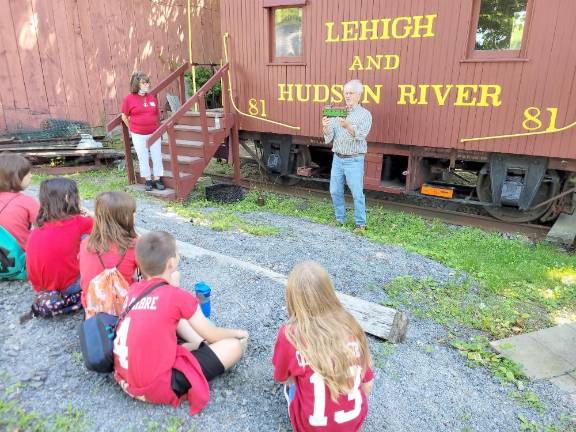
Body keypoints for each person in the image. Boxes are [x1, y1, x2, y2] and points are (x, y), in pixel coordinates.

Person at [113, 231, 249, 415]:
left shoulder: (133, 290)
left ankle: (199, 346)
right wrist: (238, 333)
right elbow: (213, 334)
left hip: (126, 377)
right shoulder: (177, 297)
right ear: (172, 263)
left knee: (175, 324)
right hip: (155, 386)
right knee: (234, 346)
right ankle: (206, 348)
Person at [272, 261, 374, 432]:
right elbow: (367, 384)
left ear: (292, 298)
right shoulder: (351, 325)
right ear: (329, 292)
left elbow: (282, 378)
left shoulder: (289, 335)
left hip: (310, 427)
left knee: (293, 385)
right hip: (354, 423)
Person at [25, 178, 93, 315]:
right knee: (94, 242)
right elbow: (102, 229)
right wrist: (90, 214)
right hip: (69, 286)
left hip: (40, 287)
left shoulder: (39, 225)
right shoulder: (80, 222)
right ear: (68, 198)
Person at [322, 79, 372, 232]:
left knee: (357, 193)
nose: (347, 96)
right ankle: (340, 219)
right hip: (338, 158)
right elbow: (330, 137)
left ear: (359, 95)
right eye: (345, 93)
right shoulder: (338, 112)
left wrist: (348, 126)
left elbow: (361, 135)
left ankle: (360, 224)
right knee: (335, 191)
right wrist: (325, 127)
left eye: (351, 93)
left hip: (354, 159)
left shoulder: (365, 115)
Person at [79, 191, 139, 318]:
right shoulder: (134, 245)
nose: (135, 215)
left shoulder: (86, 244)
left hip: (93, 308)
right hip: (124, 309)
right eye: (132, 213)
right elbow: (150, 274)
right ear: (125, 218)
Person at [121, 72, 165, 192]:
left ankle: (157, 179)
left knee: (157, 155)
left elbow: (156, 114)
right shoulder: (129, 99)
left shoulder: (151, 97)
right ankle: (148, 180)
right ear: (137, 84)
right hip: (138, 134)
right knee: (143, 156)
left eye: (147, 82)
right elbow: (124, 116)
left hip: (154, 132)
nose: (147, 85)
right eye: (144, 83)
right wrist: (131, 128)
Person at [0, 153, 39, 280]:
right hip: (20, 265)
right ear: (16, 177)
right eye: (28, 174)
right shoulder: (27, 202)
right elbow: (45, 228)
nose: (31, 176)